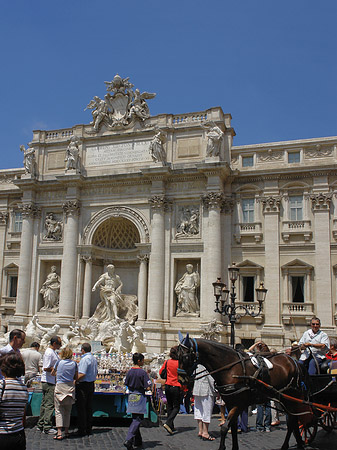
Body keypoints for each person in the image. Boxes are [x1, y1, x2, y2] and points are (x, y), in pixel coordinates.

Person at [0, 353, 28, 450]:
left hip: (3, 433)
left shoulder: (2, 385)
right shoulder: (23, 387)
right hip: (19, 433)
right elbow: (23, 413)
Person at [124, 352, 152, 450]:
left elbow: (126, 383)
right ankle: (128, 439)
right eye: (143, 360)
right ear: (139, 361)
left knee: (135, 418)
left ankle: (137, 440)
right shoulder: (142, 373)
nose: (143, 362)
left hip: (131, 395)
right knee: (138, 419)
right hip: (139, 396)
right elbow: (148, 386)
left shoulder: (130, 371)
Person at [51, 346, 78, 440]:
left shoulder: (59, 362)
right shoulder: (74, 364)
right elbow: (76, 376)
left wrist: (58, 374)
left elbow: (52, 373)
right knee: (68, 411)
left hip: (60, 387)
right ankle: (66, 431)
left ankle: (59, 432)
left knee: (58, 411)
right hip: (70, 388)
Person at [37, 335, 62, 434]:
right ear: (54, 343)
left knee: (44, 404)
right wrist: (56, 370)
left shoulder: (52, 352)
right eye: (59, 343)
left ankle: (41, 424)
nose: (60, 345)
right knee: (49, 404)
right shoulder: (49, 352)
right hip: (49, 381)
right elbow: (46, 367)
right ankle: (47, 426)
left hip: (49, 380)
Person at [75, 343, 98, 436]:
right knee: (88, 407)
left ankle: (82, 428)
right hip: (91, 384)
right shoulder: (93, 358)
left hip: (83, 385)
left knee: (81, 407)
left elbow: (82, 373)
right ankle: (88, 427)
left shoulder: (84, 359)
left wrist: (74, 380)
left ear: (83, 350)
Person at [160, 346, 181, 435]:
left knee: (169, 406)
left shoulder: (167, 362)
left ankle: (171, 426)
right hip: (176, 386)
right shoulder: (180, 363)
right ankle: (168, 423)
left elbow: (161, 372)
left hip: (168, 385)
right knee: (176, 407)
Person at [193, 363, 216, 441]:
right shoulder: (208, 365)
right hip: (206, 389)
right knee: (207, 411)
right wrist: (216, 390)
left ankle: (200, 430)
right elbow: (211, 379)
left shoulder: (197, 365)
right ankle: (205, 432)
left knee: (199, 410)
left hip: (197, 389)